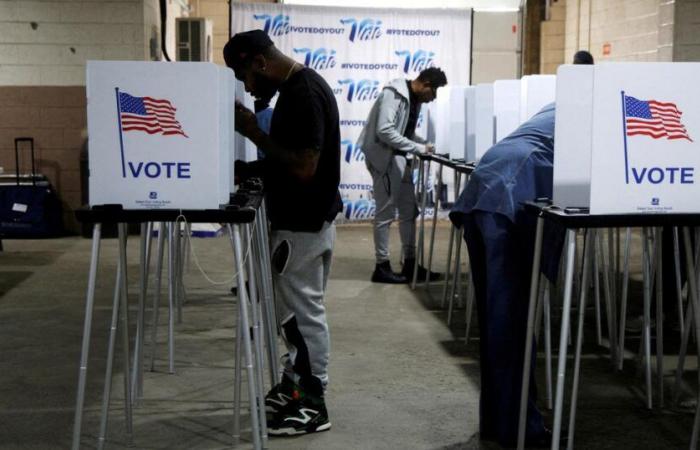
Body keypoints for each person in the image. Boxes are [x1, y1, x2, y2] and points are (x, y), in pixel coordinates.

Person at [224, 29, 342, 436]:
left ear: (258, 62)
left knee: (303, 316)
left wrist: (253, 133)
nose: (249, 88)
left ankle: (314, 401)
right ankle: (296, 386)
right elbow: (289, 158)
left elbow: (304, 165)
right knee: (290, 313)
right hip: (303, 218)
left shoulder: (303, 93)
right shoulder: (296, 89)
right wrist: (250, 169)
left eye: (246, 78)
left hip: (304, 222)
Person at [449, 104, 564, 448]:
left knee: (496, 319)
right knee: (512, 320)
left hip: (485, 188)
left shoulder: (560, 105)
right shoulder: (603, 113)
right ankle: (521, 431)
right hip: (511, 196)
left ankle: (499, 422)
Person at [358, 67, 448, 284]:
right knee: (385, 213)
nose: (432, 99)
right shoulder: (395, 94)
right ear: (425, 84)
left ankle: (410, 263)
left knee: (409, 211)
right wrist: (419, 149)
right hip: (385, 159)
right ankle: (381, 266)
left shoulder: (412, 99)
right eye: (433, 92)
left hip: (398, 158)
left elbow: (403, 132)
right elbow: (385, 130)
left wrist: (424, 145)